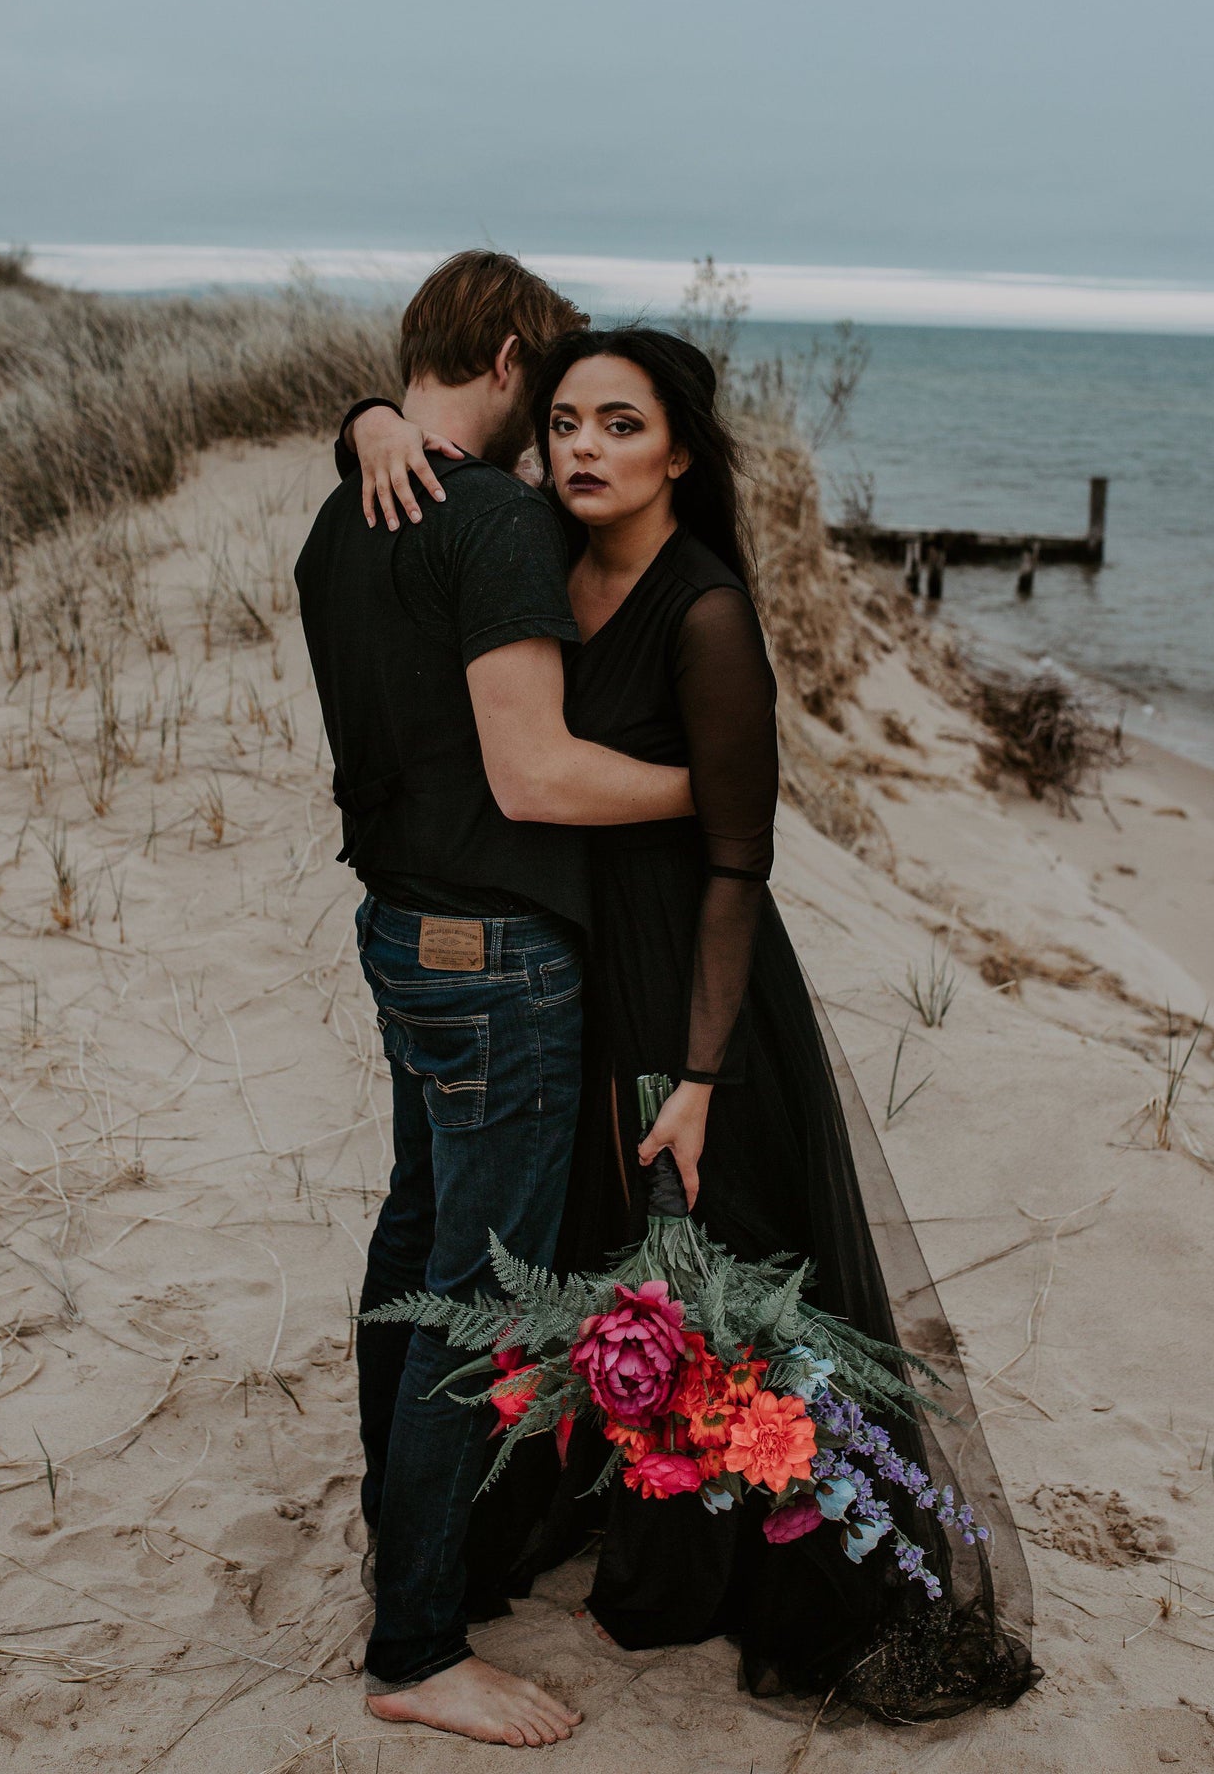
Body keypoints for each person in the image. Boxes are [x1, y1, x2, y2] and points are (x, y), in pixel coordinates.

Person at [344, 326, 1038, 1720]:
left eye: (619, 424)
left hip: (686, 980)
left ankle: (716, 1567)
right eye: (564, 424)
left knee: (710, 1272)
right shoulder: (533, 548)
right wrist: (368, 416)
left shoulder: (702, 608)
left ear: (679, 452)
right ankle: (622, 1521)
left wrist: (704, 1068)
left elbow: (739, 856)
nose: (583, 448)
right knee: (607, 1266)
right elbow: (415, 463)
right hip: (572, 967)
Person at [295, 256, 701, 1749]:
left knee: (416, 1243)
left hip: (401, 933)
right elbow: (535, 773)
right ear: (518, 352)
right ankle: (417, 1639)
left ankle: (411, 1539)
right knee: (476, 1296)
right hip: (496, 956)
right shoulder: (500, 521)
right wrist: (712, 786)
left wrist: (364, 422)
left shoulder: (351, 509)